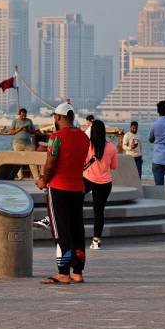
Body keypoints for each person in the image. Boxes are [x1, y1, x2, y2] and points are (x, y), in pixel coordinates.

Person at [37, 103, 91, 285]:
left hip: (58, 188)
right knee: (77, 228)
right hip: (77, 188)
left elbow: (51, 162)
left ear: (59, 118)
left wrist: (43, 180)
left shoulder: (56, 137)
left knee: (61, 231)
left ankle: (63, 272)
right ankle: (77, 271)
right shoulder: (84, 137)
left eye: (55, 117)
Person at [83, 119, 116, 250]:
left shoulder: (87, 145)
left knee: (72, 202)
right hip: (105, 183)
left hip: (87, 179)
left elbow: (82, 163)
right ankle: (96, 241)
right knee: (99, 212)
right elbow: (114, 166)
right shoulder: (112, 147)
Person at [9, 108, 36, 179]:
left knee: (32, 160)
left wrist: (27, 130)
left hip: (28, 143)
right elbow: (11, 132)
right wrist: (20, 129)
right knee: (18, 160)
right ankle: (20, 177)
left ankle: (36, 177)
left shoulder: (29, 121)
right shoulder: (15, 121)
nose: (24, 117)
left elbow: (34, 131)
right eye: (22, 115)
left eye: (25, 115)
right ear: (19, 114)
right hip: (18, 143)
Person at [149, 100, 165, 186]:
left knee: (159, 187)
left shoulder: (154, 124)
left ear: (158, 111)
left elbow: (150, 139)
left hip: (157, 159)